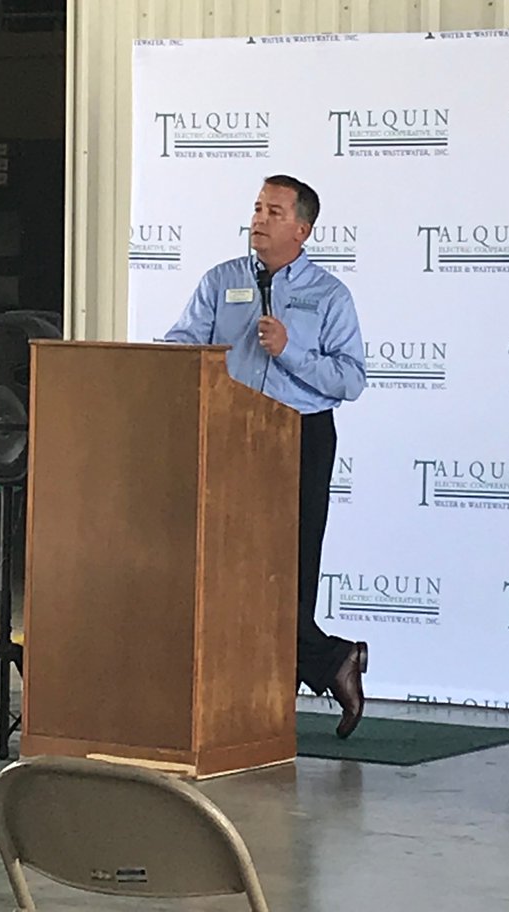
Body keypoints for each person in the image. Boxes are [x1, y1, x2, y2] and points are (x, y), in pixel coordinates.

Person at [166, 174, 368, 738]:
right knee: (226, 565)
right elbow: (185, 342)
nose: (259, 219)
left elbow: (350, 379)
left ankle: (310, 670)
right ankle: (325, 663)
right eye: (257, 208)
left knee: (290, 567)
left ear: (302, 229)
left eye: (274, 212)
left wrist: (290, 350)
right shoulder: (221, 280)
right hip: (228, 434)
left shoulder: (329, 295)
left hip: (299, 436)